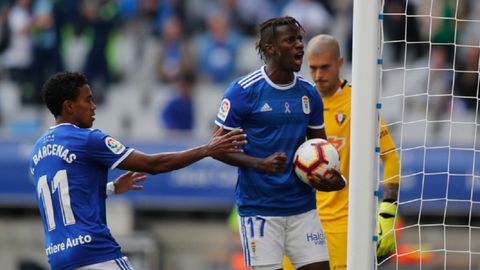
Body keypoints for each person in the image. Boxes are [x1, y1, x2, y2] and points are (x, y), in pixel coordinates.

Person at [29, 71, 247, 270]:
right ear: (68, 106)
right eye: (88, 100)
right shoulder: (87, 139)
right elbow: (153, 165)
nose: (94, 106)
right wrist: (206, 149)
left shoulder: (37, 151)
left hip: (58, 259)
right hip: (95, 254)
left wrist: (112, 188)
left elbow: (67, 195)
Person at [213, 16, 345, 270]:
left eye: (299, 39)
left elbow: (321, 148)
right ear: (270, 48)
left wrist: (333, 178)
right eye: (290, 40)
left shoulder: (309, 93)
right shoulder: (243, 91)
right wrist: (259, 163)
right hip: (260, 210)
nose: (299, 46)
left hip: (303, 208)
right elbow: (215, 147)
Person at [283, 34, 400, 270]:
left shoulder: (361, 103)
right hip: (300, 221)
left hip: (344, 225)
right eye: (313, 68)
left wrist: (387, 214)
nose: (318, 75)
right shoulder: (299, 102)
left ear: (340, 62)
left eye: (325, 67)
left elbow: (391, 159)